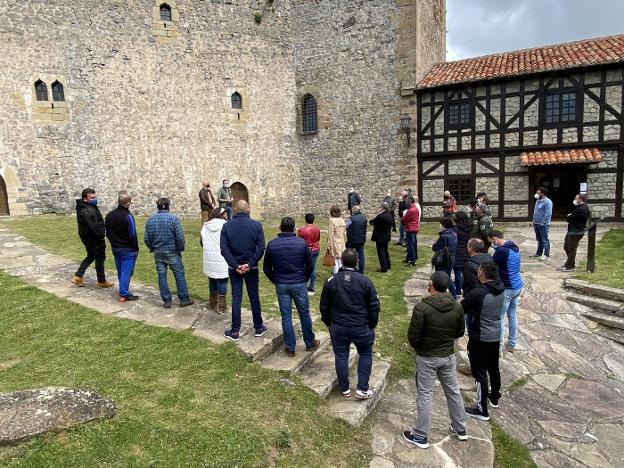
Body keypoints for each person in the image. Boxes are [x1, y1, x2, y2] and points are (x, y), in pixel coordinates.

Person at [403, 271, 467, 449]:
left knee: (425, 394)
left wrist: (421, 348)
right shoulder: (456, 306)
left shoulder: (422, 308)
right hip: (447, 356)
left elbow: (413, 336)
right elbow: (459, 332)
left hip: (427, 357)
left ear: (430, 284)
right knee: (453, 391)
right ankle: (460, 428)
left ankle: (420, 435)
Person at [320, 249, 380, 400]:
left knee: (341, 356)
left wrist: (329, 323)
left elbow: (324, 306)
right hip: (361, 327)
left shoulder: (331, 281)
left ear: (342, 262)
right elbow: (374, 306)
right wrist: (372, 324)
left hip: (339, 327)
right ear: (357, 262)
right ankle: (362, 388)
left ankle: (344, 388)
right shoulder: (365, 281)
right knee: (365, 354)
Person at [264, 217, 320, 356]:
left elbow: (266, 268)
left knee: (286, 316)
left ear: (280, 228)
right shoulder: (301, 243)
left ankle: (290, 347)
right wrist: (305, 278)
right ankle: (309, 342)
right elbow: (310, 265)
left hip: (283, 284)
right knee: (304, 313)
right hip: (298, 282)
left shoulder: (272, 244)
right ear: (294, 228)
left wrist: (276, 280)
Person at [461, 262, 505, 421]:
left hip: (480, 337)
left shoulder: (478, 293)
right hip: (495, 334)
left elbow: (461, 308)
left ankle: (481, 409)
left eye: (479, 271)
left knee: (479, 372)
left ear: (481, 274)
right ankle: (494, 397)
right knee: (494, 367)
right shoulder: (501, 287)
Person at [220, 200, 267, 341]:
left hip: (237, 268)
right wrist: (249, 264)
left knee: (236, 298)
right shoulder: (256, 225)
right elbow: (260, 248)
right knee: (254, 297)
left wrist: (236, 265)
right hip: (249, 267)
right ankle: (258, 327)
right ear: (248, 210)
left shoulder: (227, 226)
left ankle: (235, 331)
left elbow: (224, 249)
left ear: (235, 210)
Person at [144, 198, 195, 309]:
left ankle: (167, 300)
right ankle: (184, 299)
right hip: (172, 251)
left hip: (158, 252)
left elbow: (146, 239)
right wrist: (180, 248)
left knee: (162, 276)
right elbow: (180, 237)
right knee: (179, 275)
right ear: (168, 206)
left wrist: (152, 247)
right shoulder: (173, 219)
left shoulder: (151, 220)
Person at [488, 230, 524, 354]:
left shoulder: (502, 251)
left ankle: (498, 349)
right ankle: (512, 344)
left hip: (508, 288)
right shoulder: (513, 247)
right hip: (518, 286)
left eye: (492, 242)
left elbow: (490, 265)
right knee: (512, 315)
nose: (492, 244)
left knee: (499, 318)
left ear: (494, 239)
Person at [71, 188, 114, 289]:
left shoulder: (85, 206)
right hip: (94, 238)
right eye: (92, 198)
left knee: (91, 256)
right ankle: (102, 281)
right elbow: (94, 226)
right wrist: (101, 235)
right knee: (100, 258)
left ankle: (78, 275)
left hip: (87, 237)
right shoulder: (88, 209)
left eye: (95, 197)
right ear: (85, 199)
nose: (95, 199)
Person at [105, 191, 139, 303]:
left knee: (121, 271)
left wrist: (114, 244)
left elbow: (108, 233)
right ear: (128, 203)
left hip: (116, 248)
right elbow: (133, 233)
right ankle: (124, 293)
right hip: (127, 249)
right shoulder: (128, 216)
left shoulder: (109, 215)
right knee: (126, 272)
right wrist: (135, 248)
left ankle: (123, 290)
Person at [201, 207, 229, 313]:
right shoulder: (226, 225)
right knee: (222, 280)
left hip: (209, 257)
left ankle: (212, 303)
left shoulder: (205, 226)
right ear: (221, 215)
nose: (226, 216)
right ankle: (221, 306)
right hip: (222, 257)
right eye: (225, 214)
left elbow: (201, 241)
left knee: (212, 278)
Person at [558, 193, 590, 272]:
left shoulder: (581, 209)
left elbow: (569, 219)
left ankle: (570, 266)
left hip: (575, 232)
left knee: (571, 249)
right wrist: (570, 216)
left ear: (580, 199)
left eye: (576, 199)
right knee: (566, 247)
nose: (575, 200)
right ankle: (570, 263)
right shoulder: (579, 208)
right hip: (572, 230)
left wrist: (569, 216)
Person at [432, 217, 458, 298]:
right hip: (452, 258)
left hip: (443, 259)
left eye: (440, 224)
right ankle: (453, 294)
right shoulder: (454, 234)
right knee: (448, 276)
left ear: (443, 225)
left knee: (442, 277)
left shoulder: (444, 236)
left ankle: (451, 295)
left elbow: (435, 248)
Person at [297, 213, 321, 294]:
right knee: (313, 267)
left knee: (303, 267)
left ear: (305, 220)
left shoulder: (302, 230)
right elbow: (318, 239)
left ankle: (303, 285)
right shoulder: (317, 229)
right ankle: (311, 286)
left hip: (306, 250)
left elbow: (299, 240)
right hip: (315, 249)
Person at [369, 202, 394, 273]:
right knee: (385, 250)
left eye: (380, 207)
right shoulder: (389, 214)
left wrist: (372, 221)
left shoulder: (381, 216)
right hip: (386, 235)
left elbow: (373, 222)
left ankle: (383, 267)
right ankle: (388, 264)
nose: (379, 208)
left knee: (381, 252)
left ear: (382, 208)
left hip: (380, 236)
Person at [531, 186, 553, 261]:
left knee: (544, 240)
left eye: (538, 193)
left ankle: (546, 255)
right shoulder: (538, 200)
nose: (536, 194)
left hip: (543, 224)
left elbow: (548, 213)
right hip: (536, 223)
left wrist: (543, 222)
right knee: (539, 239)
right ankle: (538, 253)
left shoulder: (548, 201)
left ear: (543, 194)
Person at [452, 211, 471, 297]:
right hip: (467, 251)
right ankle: (466, 288)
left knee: (457, 272)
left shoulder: (455, 229)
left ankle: (458, 291)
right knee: (465, 271)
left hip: (457, 252)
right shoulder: (469, 227)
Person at [346, 205, 367, 274]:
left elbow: (346, 227)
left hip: (352, 240)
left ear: (354, 210)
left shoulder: (351, 218)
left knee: (348, 253)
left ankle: (349, 267)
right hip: (361, 239)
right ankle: (361, 271)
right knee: (361, 255)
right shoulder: (364, 218)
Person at [401, 195, 420, 267]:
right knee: (411, 245)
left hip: (411, 229)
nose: (406, 202)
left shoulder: (411, 210)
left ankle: (412, 261)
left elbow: (404, 219)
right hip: (413, 229)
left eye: (407, 201)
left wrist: (402, 221)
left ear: (410, 201)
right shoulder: (415, 208)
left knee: (410, 245)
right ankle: (409, 258)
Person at [327, 205, 346, 274]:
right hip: (341, 241)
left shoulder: (332, 220)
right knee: (340, 258)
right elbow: (344, 231)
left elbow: (330, 234)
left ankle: (337, 274)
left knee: (335, 259)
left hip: (334, 241)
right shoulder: (342, 220)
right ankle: (341, 272)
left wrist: (328, 244)